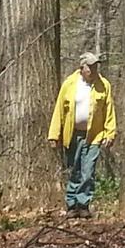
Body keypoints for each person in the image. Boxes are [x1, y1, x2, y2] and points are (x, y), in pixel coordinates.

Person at [48, 52, 116, 219]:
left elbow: (109, 111)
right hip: (72, 134)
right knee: (74, 169)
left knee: (88, 171)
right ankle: (72, 205)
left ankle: (84, 204)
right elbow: (59, 110)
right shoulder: (70, 84)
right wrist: (54, 135)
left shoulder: (103, 85)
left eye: (95, 66)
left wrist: (110, 133)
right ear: (82, 67)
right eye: (90, 67)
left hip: (94, 135)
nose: (93, 70)